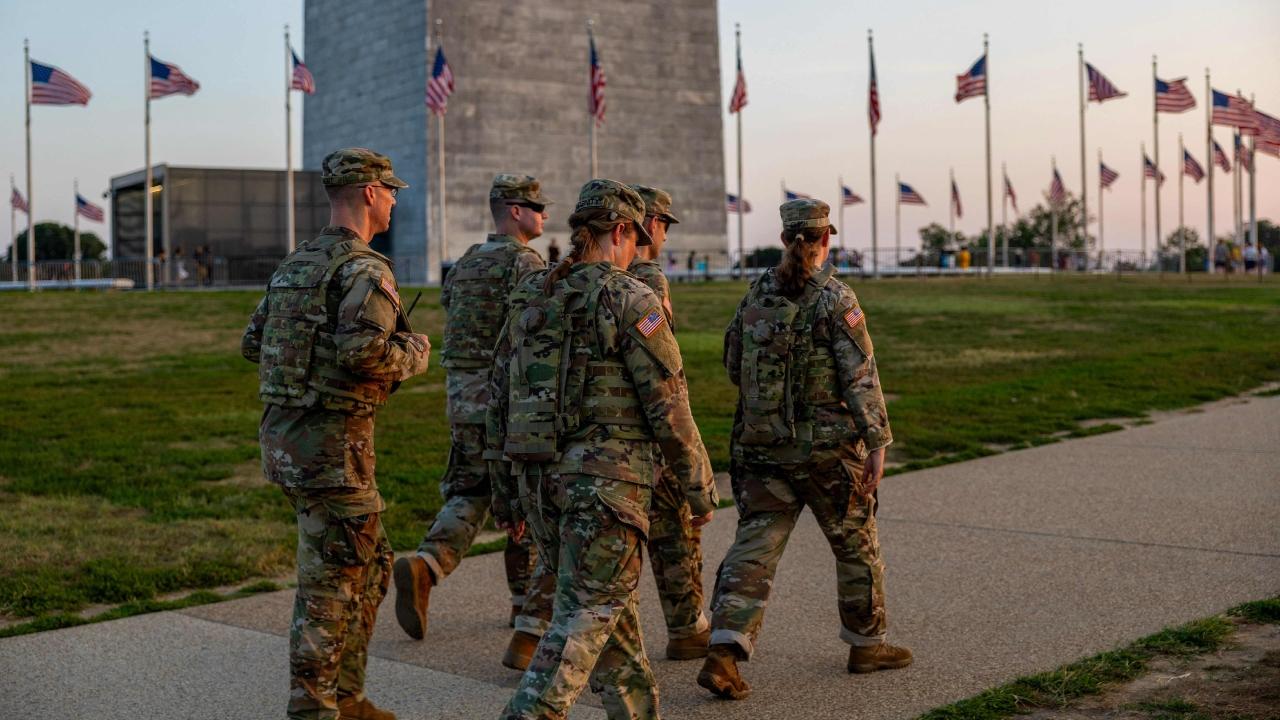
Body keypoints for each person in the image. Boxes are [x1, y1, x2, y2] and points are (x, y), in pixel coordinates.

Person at [487, 179, 718, 720]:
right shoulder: (629, 298)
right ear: (618, 231)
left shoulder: (533, 294)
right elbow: (670, 406)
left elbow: (498, 398)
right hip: (607, 489)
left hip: (538, 484)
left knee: (616, 630)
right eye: (636, 239)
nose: (637, 251)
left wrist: (505, 494)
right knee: (585, 617)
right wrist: (700, 489)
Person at [241, 148, 431, 720]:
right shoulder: (365, 269)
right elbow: (363, 352)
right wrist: (415, 352)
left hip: (289, 444)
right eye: (390, 191)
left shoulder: (296, 264)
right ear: (369, 193)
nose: (394, 201)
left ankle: (348, 697)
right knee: (330, 586)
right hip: (332, 451)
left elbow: (253, 343)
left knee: (372, 565)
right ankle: (314, 708)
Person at [698, 198, 911, 701]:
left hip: (762, 447)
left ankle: (724, 652)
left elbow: (733, 364)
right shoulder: (836, 298)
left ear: (784, 239)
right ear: (825, 239)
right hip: (828, 452)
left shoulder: (755, 294)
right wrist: (877, 441)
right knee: (855, 543)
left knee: (754, 546)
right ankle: (867, 645)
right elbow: (860, 377)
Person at [393, 174, 550, 641]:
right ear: (515, 211)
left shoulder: (466, 262)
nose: (544, 215)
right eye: (537, 208)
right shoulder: (525, 262)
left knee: (470, 490)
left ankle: (427, 565)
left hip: (462, 397)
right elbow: (537, 330)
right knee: (524, 495)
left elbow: (451, 309)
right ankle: (525, 608)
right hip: (505, 400)